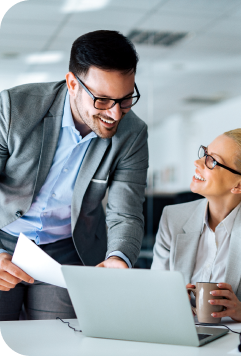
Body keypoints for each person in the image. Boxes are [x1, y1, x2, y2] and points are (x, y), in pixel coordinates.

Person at [0, 30, 148, 320]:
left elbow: (126, 213)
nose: (116, 114)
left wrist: (118, 257)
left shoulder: (133, 133)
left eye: (126, 99)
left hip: (67, 251)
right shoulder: (13, 108)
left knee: (60, 339)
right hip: (3, 239)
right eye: (103, 100)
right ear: (72, 84)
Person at [151, 128, 241, 323]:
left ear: (240, 185)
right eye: (205, 153)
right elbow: (153, 290)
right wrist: (168, 299)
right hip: (178, 335)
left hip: (236, 345)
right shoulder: (173, 218)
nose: (198, 162)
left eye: (212, 161)